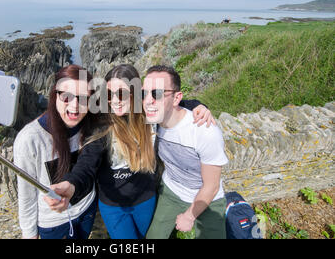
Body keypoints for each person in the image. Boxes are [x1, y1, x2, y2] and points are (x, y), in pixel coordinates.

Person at [45, 64, 215, 239]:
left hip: (145, 199)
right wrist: (71, 184)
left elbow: (175, 104)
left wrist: (198, 106)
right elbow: (87, 163)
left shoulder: (149, 114)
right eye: (110, 94)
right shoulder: (102, 125)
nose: (115, 100)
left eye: (122, 93)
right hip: (113, 206)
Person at [142, 65, 228, 239]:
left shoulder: (204, 131)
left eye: (157, 93)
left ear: (176, 98)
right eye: (143, 93)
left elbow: (211, 186)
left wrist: (189, 216)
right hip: (171, 190)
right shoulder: (152, 119)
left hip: (207, 198)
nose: (148, 101)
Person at [13, 64, 98, 239]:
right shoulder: (30, 139)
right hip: (54, 224)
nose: (75, 106)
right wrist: (29, 234)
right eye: (66, 96)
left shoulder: (92, 124)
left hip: (87, 209)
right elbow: (26, 193)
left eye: (83, 98)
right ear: (54, 95)